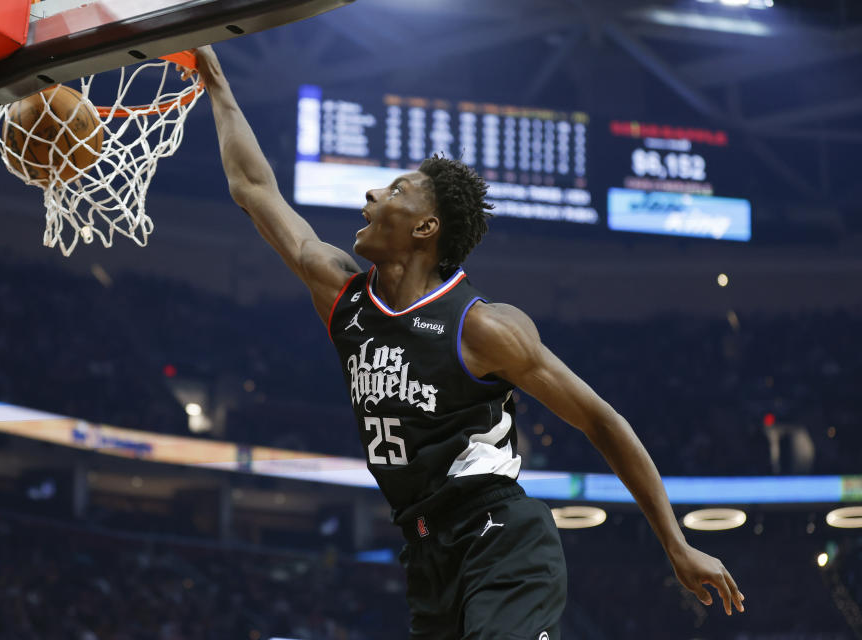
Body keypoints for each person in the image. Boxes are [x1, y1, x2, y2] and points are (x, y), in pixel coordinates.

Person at [191, 45, 745, 639]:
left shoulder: (482, 326)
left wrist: (676, 544)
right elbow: (254, 187)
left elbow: (603, 421)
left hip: (500, 539)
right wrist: (216, 83)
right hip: (426, 555)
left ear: (426, 228)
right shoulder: (342, 295)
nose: (371, 198)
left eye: (394, 191)